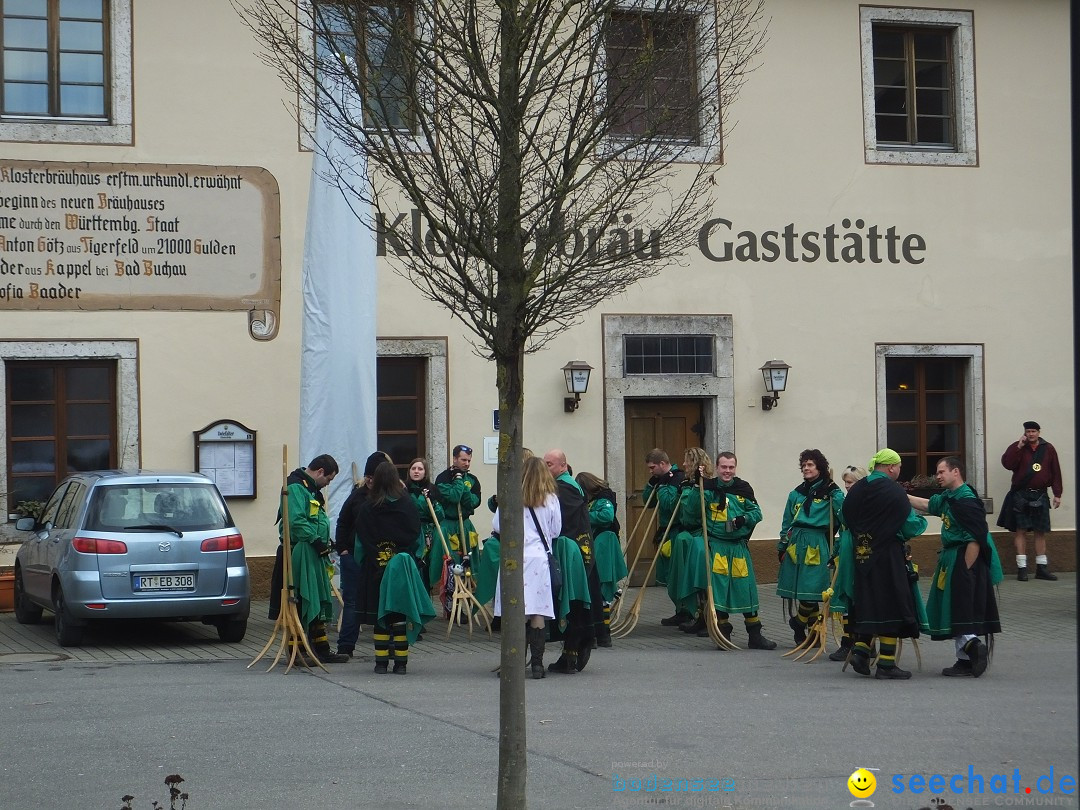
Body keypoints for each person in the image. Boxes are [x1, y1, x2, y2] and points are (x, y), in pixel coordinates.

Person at [672, 449, 776, 649]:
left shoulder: (743, 488)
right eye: (724, 467)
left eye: (731, 467)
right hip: (716, 546)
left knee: (745, 589)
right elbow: (692, 512)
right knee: (718, 590)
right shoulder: (707, 487)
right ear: (717, 468)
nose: (727, 471)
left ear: (735, 468)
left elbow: (757, 513)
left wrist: (743, 519)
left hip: (738, 547)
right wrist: (696, 484)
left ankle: (755, 635)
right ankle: (723, 632)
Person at [909, 457, 1003, 677]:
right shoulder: (949, 498)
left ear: (956, 472)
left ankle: (971, 646)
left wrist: (965, 570)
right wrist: (897, 495)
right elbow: (925, 504)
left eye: (941, 472)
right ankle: (964, 660)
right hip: (952, 558)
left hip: (964, 559)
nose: (938, 476)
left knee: (961, 606)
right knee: (956, 607)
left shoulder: (967, 501)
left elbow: (974, 539)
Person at [841, 449, 928, 680]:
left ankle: (860, 652)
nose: (899, 471)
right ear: (891, 467)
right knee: (892, 606)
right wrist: (920, 522)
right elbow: (909, 526)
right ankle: (886, 665)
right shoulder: (894, 491)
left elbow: (846, 517)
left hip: (861, 553)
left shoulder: (858, 488)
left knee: (867, 603)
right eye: (899, 467)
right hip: (888, 555)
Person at [269, 454, 350, 664]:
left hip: (313, 552)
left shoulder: (310, 488)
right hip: (301, 552)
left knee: (316, 599)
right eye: (328, 479)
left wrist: (325, 542)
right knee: (302, 600)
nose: (327, 485)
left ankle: (321, 649)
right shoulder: (296, 487)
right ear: (320, 471)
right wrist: (316, 541)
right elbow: (296, 522)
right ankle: (298, 650)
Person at [354, 461, 434, 674]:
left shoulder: (367, 508)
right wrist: (408, 557)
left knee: (381, 616)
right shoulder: (407, 504)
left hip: (375, 567)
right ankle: (401, 663)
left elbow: (360, 542)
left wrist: (372, 558)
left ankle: (381, 663)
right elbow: (416, 536)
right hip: (401, 566)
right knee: (399, 614)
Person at [493, 455, 561, 678]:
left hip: (515, 557)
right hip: (539, 558)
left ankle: (514, 663)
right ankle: (538, 665)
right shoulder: (551, 499)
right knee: (538, 611)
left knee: (516, 611)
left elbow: (497, 526)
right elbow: (556, 530)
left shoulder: (510, 497)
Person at [777, 449, 844, 645]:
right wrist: (782, 545)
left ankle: (798, 622)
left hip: (817, 541)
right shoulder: (796, 493)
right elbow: (787, 521)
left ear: (820, 467)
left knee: (813, 587)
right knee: (803, 589)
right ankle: (810, 634)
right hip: (796, 541)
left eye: (810, 465)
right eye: (804, 465)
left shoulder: (831, 492)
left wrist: (835, 493)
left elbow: (843, 515)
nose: (806, 468)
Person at [543, 448, 598, 673]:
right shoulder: (563, 487)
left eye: (550, 464)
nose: (546, 468)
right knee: (573, 604)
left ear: (563, 466)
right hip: (574, 550)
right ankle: (569, 655)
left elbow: (556, 524)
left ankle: (571, 654)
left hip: (571, 552)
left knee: (572, 602)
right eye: (544, 464)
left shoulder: (564, 489)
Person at [333, 451, 390, 658]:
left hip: (381, 558)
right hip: (354, 558)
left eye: (374, 477)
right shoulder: (356, 496)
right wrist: (343, 550)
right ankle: (345, 647)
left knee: (382, 600)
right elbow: (342, 521)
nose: (370, 480)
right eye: (368, 477)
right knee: (352, 601)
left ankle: (385, 648)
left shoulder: (391, 497)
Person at [997, 421, 1063, 581]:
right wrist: (1018, 447)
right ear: (1025, 433)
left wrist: (1057, 493)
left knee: (1040, 531)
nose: (1031, 434)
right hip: (1021, 495)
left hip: (1040, 494)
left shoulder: (1048, 448)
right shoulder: (1018, 447)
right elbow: (1007, 464)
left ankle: (1041, 569)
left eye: (1033, 431)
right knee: (1021, 530)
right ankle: (1022, 569)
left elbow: (1055, 471)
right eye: (1028, 431)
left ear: (1039, 432)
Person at [576, 471, 628, 648]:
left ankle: (604, 633)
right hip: (597, 545)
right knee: (596, 589)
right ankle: (601, 633)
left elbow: (606, 516)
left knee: (602, 587)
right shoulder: (593, 501)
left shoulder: (604, 499)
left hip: (605, 546)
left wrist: (583, 516)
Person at [641, 449, 688, 627]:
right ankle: (680, 610)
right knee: (669, 576)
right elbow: (649, 502)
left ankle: (689, 611)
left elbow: (668, 505)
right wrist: (652, 483)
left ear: (662, 463)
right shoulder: (660, 480)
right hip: (665, 533)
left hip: (677, 532)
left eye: (652, 468)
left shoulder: (678, 478)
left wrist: (662, 485)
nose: (651, 471)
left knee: (678, 575)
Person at [827, 465, 866, 661]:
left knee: (857, 599)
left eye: (850, 482)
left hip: (859, 555)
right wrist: (834, 554)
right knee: (846, 600)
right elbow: (842, 532)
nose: (847, 486)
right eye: (845, 483)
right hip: (845, 555)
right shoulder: (847, 501)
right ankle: (847, 641)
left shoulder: (864, 502)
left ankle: (862, 643)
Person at [434, 444, 483, 593]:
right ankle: (449, 599)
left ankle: (469, 594)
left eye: (469, 460)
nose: (467, 463)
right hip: (447, 525)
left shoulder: (473, 480)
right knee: (451, 562)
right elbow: (454, 498)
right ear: (454, 459)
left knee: (469, 562)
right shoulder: (442, 478)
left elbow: (472, 503)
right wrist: (457, 481)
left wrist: (462, 485)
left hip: (466, 525)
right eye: (463, 460)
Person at [406, 457, 443, 588]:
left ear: (425, 472)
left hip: (426, 532)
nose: (416, 472)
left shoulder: (432, 489)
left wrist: (432, 501)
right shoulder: (403, 490)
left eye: (420, 469)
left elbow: (440, 516)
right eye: (413, 468)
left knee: (425, 566)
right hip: (408, 531)